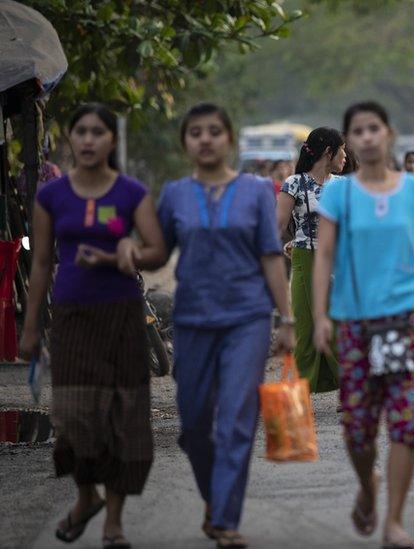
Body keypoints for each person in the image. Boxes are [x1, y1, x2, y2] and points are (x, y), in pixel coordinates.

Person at [118, 102, 296, 548]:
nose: (205, 138)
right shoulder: (176, 194)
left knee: (236, 418)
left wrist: (287, 317)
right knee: (195, 424)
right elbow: (157, 252)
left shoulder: (257, 191)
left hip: (248, 319)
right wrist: (126, 251)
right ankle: (216, 502)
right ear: (186, 143)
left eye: (214, 131)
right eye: (195, 132)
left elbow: (271, 256)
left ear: (229, 139)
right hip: (193, 320)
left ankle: (225, 518)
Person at [312, 101, 414, 549]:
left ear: (389, 134)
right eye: (358, 131)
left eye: (374, 128)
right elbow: (323, 255)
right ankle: (367, 483)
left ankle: (394, 519)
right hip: (355, 323)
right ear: (350, 141)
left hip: (406, 320)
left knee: (406, 420)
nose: (367, 136)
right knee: (358, 427)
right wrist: (319, 316)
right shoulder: (338, 193)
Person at [19, 103, 166, 548]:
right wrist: (30, 328)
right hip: (71, 317)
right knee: (72, 416)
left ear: (111, 141)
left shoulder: (130, 193)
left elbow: (156, 249)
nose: (86, 140)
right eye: (80, 132)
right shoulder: (52, 196)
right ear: (72, 139)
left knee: (124, 416)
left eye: (96, 132)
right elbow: (41, 262)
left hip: (122, 315)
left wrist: (129, 253)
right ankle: (87, 497)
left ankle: (114, 523)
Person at [275, 127, 347, 395]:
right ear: (328, 152)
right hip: (305, 257)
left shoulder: (344, 186)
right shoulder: (294, 184)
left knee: (340, 324)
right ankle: (302, 392)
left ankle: (348, 388)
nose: (345, 157)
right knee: (306, 326)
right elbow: (278, 225)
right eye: (342, 150)